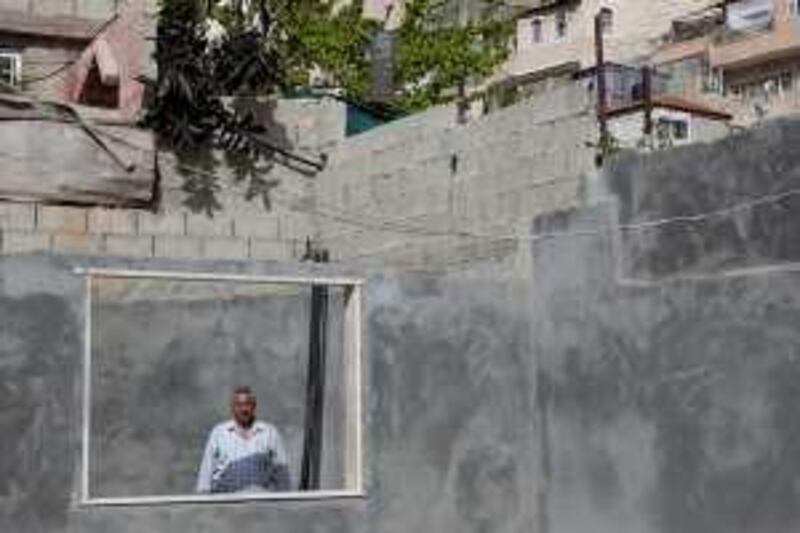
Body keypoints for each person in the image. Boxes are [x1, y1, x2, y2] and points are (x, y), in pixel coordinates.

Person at [196, 386, 291, 493]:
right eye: (239, 405)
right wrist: (203, 499)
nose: (243, 409)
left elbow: (282, 474)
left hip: (261, 503)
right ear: (232, 407)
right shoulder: (218, 433)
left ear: (254, 406)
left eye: (247, 404)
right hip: (226, 503)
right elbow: (206, 471)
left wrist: (285, 501)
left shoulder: (270, 432)